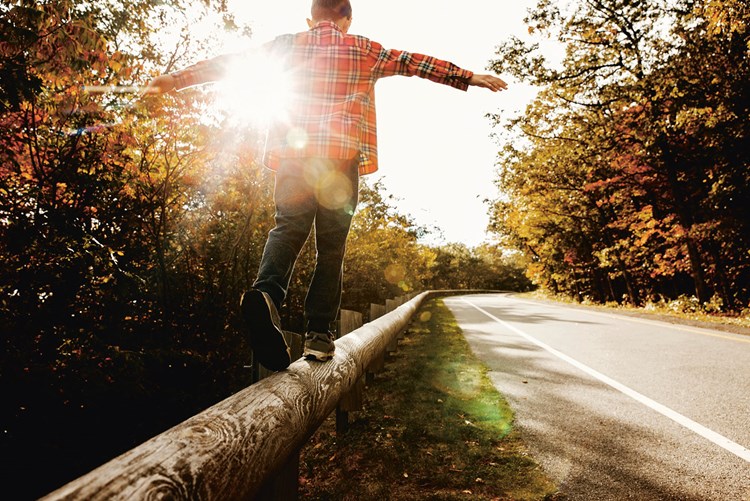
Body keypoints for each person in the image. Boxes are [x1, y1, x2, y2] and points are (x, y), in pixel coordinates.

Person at [145, 0, 508, 371]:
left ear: (311, 19)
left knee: (286, 229)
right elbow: (414, 62)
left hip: (293, 157)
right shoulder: (364, 48)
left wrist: (176, 79)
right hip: (339, 160)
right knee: (331, 248)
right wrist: (466, 76)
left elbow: (234, 63)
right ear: (347, 20)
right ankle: (318, 334)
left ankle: (266, 295)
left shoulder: (287, 44)